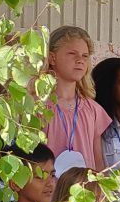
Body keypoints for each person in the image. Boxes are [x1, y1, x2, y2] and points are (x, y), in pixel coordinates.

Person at [44, 26, 112, 172]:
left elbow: (98, 162)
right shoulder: (37, 105)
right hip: (48, 192)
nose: (80, 60)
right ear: (52, 58)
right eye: (72, 54)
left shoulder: (93, 109)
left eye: (85, 56)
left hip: (84, 192)